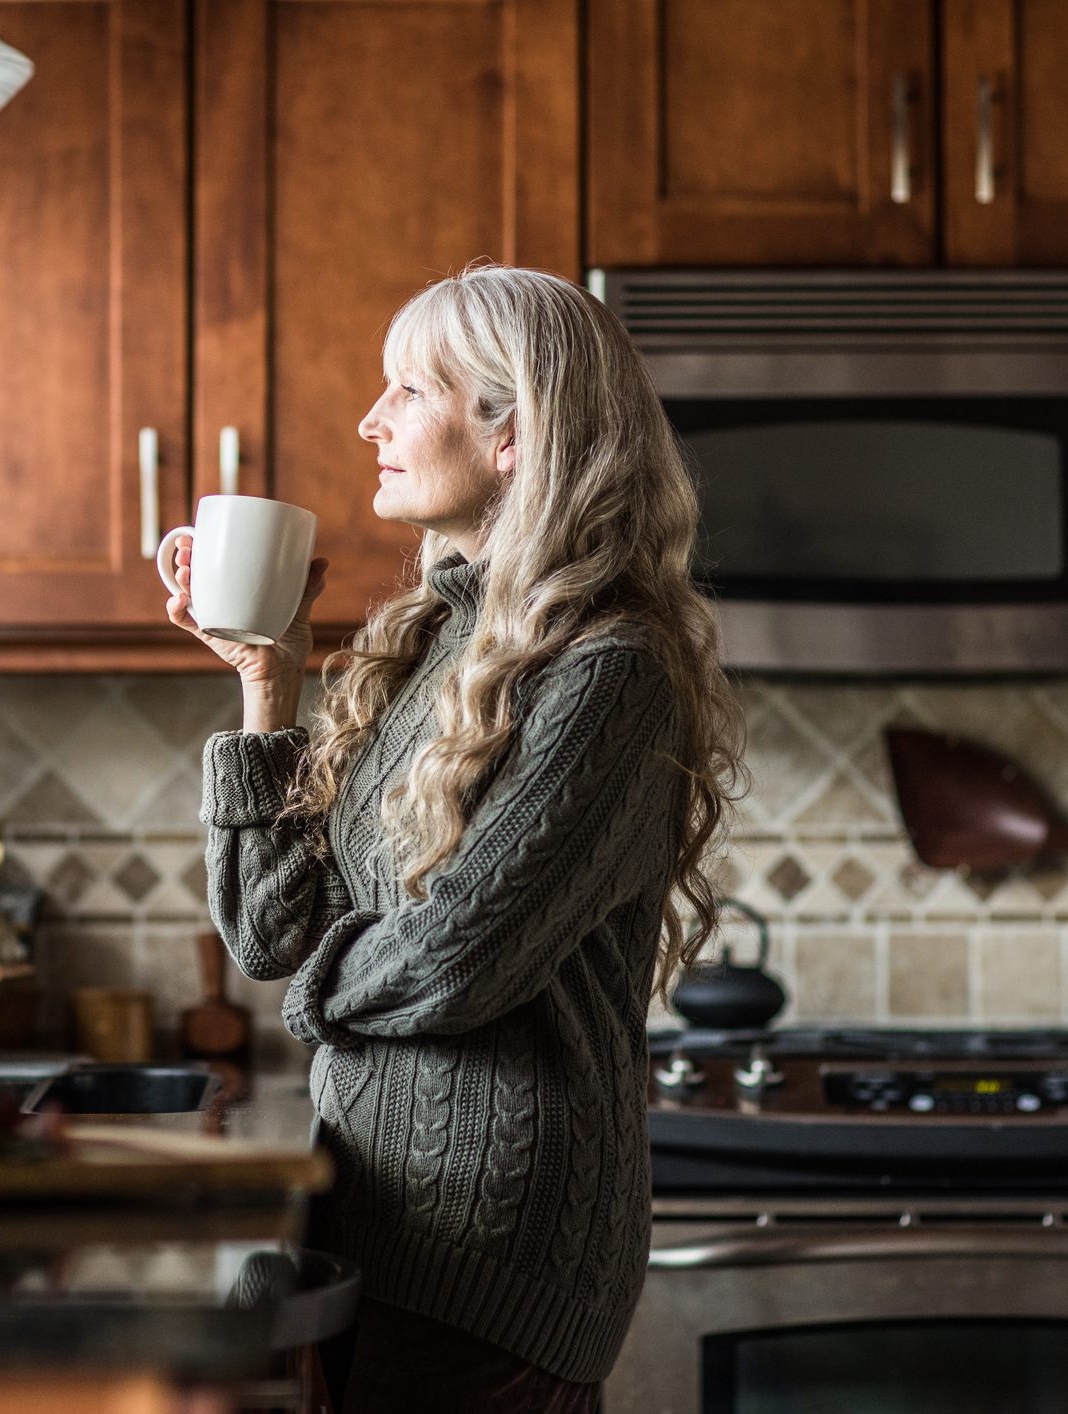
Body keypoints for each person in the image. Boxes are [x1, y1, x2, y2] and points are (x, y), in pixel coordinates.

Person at [165, 263, 742, 1413]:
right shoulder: (437, 639)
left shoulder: (609, 673)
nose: (371, 421)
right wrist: (266, 682)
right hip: (384, 1211)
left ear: (513, 434)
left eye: (407, 392)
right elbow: (271, 932)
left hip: (493, 1243)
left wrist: (322, 1003)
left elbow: (457, 957)